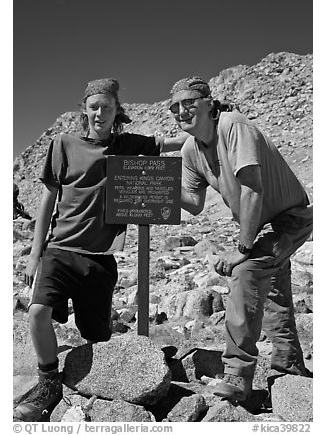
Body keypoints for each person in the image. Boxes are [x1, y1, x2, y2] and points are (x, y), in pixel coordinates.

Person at [13, 78, 187, 422]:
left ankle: (117, 380)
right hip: (60, 249)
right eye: (94, 106)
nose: (100, 112)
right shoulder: (63, 144)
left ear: (116, 112)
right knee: (37, 313)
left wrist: (214, 129)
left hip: (100, 258)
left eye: (107, 107)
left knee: (97, 337)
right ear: (84, 110)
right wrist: (35, 253)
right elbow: (48, 197)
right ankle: (49, 382)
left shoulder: (126, 144)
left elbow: (173, 142)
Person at [168, 76, 312, 402]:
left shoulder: (232, 125)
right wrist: (157, 177)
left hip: (289, 218)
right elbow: (193, 203)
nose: (181, 111)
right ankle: (289, 367)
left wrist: (241, 250)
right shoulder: (191, 150)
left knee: (246, 272)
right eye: (174, 107)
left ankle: (237, 375)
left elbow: (252, 188)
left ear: (209, 104)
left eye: (189, 103)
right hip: (258, 225)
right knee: (273, 291)